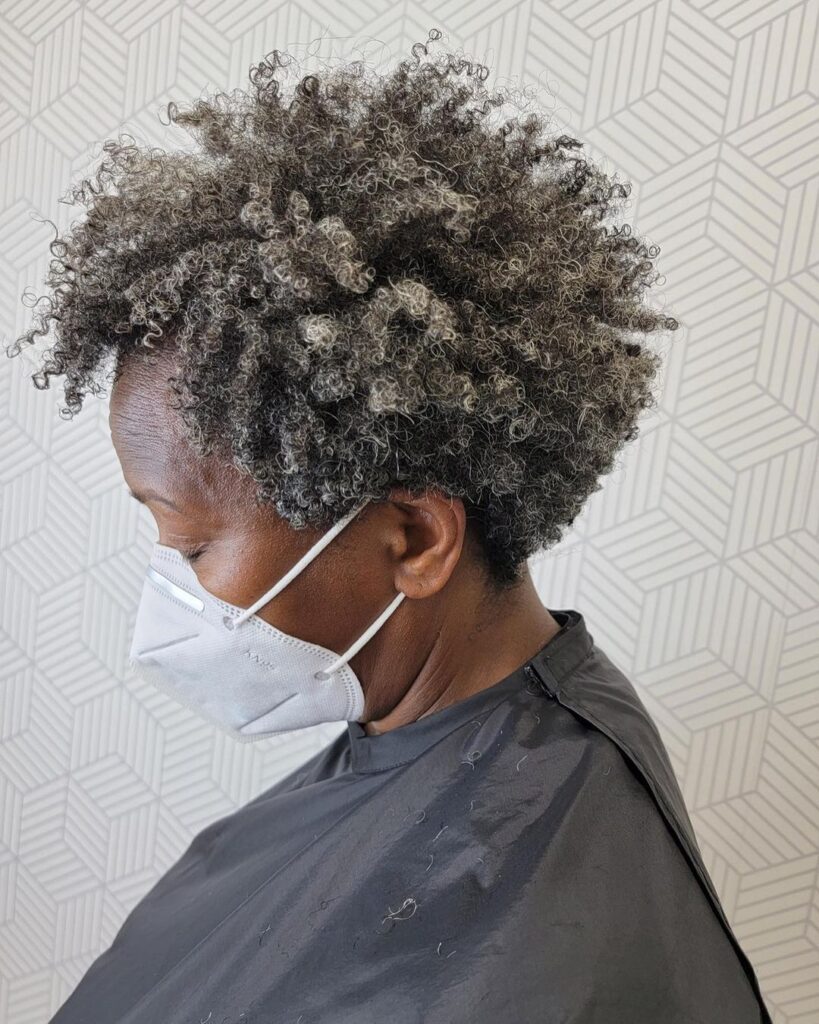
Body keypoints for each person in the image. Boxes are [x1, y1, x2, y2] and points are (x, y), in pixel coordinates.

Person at [7, 29, 772, 1024]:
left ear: (413, 539)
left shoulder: (541, 934)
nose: (171, 587)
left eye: (193, 543)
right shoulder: (442, 726)